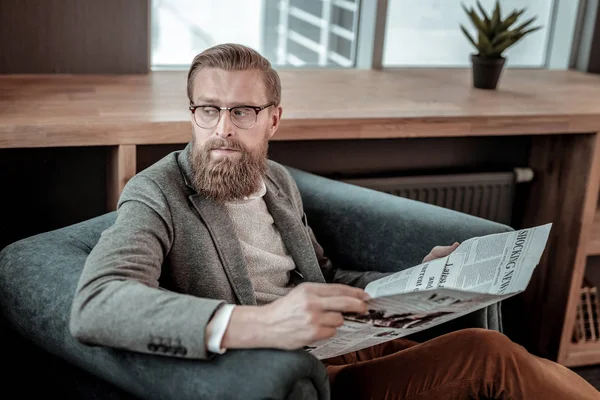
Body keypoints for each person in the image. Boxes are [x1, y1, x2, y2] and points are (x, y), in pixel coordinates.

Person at [69, 43, 599, 400]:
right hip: (296, 369)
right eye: (208, 110)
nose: (222, 130)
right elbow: (97, 304)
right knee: (490, 359)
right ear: (192, 112)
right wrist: (257, 324)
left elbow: (324, 278)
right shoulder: (156, 192)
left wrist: (420, 279)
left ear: (273, 118)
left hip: (348, 337)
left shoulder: (275, 180)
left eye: (242, 112)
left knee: (501, 364)